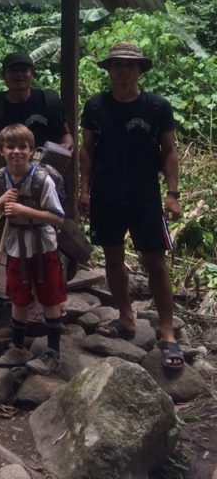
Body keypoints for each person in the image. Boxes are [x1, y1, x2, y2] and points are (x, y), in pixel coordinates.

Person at [78, 42, 183, 370]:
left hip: (145, 196)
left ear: (140, 70)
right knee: (112, 257)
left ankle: (167, 332)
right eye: (117, 64)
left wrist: (173, 193)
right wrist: (84, 190)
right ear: (108, 69)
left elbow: (169, 151)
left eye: (130, 65)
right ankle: (126, 318)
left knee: (155, 262)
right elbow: (87, 152)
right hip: (106, 194)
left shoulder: (156, 107)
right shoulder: (95, 106)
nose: (124, 70)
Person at [0, 123, 67, 375]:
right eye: (10, 147)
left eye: (22, 147)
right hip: (16, 247)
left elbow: (58, 217)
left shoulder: (43, 180)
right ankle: (18, 347)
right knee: (18, 296)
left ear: (31, 150)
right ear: (1, 151)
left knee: (50, 295)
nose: (16, 152)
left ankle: (52, 352)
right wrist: (1, 201)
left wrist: (22, 210)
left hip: (44, 246)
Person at [0, 51, 75, 157]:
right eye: (12, 71)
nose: (18, 74)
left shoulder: (49, 101)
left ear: (32, 75)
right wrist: (14, 155)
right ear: (3, 76)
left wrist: (66, 145)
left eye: (23, 70)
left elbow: (65, 134)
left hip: (48, 169)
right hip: (12, 169)